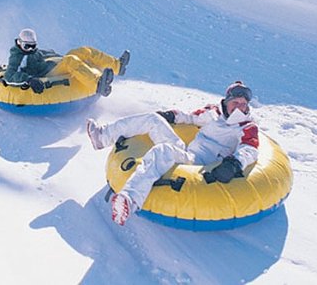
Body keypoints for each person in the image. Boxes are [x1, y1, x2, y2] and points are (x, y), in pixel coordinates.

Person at [86, 81, 259, 226]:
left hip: (200, 167)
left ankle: (129, 200)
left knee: (162, 151)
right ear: (226, 102)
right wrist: (171, 116)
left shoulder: (246, 126)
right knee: (153, 119)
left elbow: (249, 149)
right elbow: (190, 117)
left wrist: (235, 163)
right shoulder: (213, 112)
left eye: (243, 104)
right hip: (188, 153)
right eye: (235, 103)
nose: (239, 108)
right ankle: (102, 136)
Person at [4, 28, 131, 97]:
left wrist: (56, 56)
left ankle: (117, 66)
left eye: (33, 46)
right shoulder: (17, 56)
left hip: (52, 66)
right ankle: (97, 84)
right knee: (70, 61)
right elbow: (9, 76)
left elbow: (42, 55)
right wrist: (29, 79)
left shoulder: (32, 52)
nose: (31, 49)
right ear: (19, 43)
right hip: (46, 75)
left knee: (83, 51)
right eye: (27, 46)